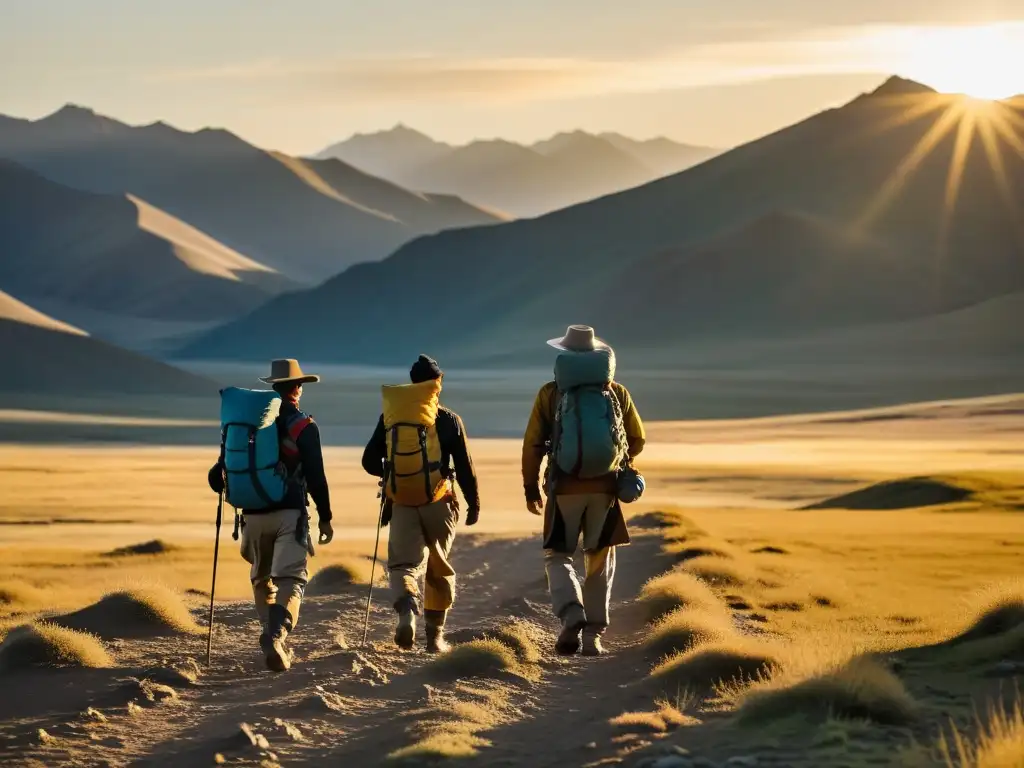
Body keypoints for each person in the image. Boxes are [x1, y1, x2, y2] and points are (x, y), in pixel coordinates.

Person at [522, 325, 645, 656]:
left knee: (557, 556)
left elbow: (533, 443)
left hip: (564, 489)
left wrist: (531, 486)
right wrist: (615, 459)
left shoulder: (551, 392)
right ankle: (593, 637)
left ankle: (570, 613)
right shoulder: (616, 392)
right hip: (605, 492)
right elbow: (638, 438)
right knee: (598, 562)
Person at [208, 359, 333, 672]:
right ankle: (275, 636)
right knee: (291, 578)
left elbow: (216, 474)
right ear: (298, 388)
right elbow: (316, 477)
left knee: (262, 579)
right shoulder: (303, 425)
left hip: (252, 517)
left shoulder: (248, 425)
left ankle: (270, 634)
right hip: (289, 513)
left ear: (273, 387)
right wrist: (326, 517)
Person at [362, 354, 480, 653]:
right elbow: (465, 467)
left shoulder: (390, 419)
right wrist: (474, 503)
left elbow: (368, 461)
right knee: (437, 568)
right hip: (439, 501)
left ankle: (406, 613)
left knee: (403, 566)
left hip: (401, 502)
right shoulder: (449, 419)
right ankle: (434, 638)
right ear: (436, 383)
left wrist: (394, 474)